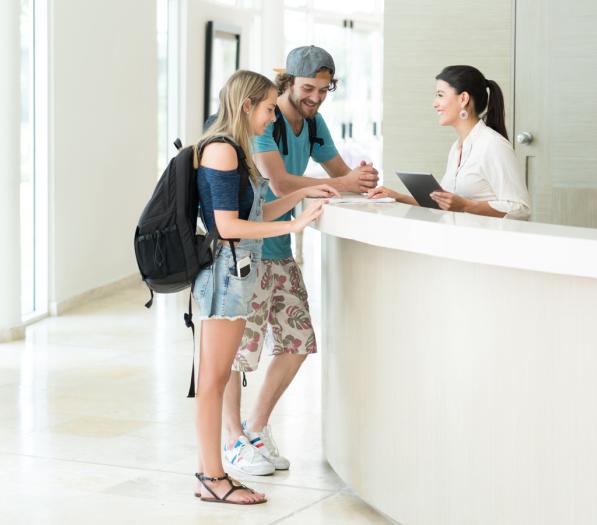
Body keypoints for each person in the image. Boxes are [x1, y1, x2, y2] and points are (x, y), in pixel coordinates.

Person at [219, 45, 375, 476]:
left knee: (297, 341)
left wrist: (360, 181)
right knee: (236, 353)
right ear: (286, 82)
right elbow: (279, 179)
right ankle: (232, 439)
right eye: (309, 88)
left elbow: (339, 174)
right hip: (247, 249)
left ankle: (255, 429)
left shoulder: (313, 121)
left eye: (325, 90)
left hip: (280, 245)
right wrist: (339, 182)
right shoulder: (262, 120)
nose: (317, 98)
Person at [191, 69, 336, 505]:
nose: (274, 117)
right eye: (270, 108)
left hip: (236, 272)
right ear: (246, 105)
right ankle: (212, 477)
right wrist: (294, 223)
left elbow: (257, 209)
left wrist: (301, 202)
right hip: (224, 275)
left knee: (215, 377)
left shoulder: (236, 151)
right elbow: (226, 225)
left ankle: (212, 475)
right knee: (213, 380)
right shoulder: (221, 151)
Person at [369, 65, 530, 219]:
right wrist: (396, 197)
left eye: (440, 95)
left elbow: (520, 209)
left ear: (463, 99)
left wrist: (466, 205)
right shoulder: (456, 148)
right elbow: (443, 205)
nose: (434, 103)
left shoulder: (493, 145)